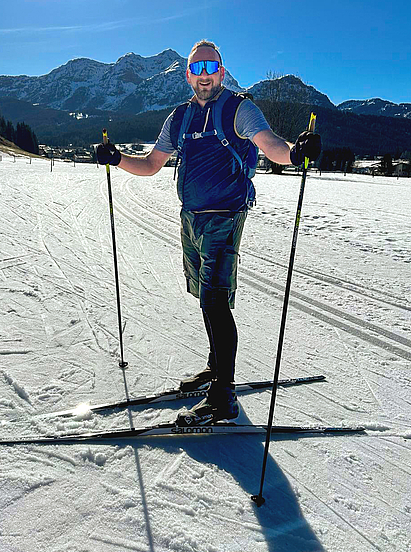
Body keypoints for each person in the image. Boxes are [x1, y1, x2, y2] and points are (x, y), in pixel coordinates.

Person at [97, 40, 321, 425]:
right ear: (188, 75)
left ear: (221, 71)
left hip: (224, 216)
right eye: (196, 69)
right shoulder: (180, 118)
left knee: (215, 299)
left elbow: (270, 145)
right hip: (191, 217)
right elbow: (152, 164)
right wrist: (116, 158)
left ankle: (223, 396)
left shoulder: (239, 108)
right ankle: (215, 366)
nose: (204, 75)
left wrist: (296, 151)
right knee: (204, 295)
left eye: (210, 67)